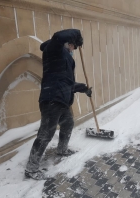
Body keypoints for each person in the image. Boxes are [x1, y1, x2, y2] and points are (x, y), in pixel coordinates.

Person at [25, 29, 92, 180]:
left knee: (68, 123)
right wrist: (76, 34)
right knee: (46, 134)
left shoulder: (65, 60)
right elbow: (57, 36)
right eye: (74, 47)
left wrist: (85, 89)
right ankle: (31, 169)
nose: (74, 50)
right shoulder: (53, 51)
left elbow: (68, 84)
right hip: (52, 99)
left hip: (61, 100)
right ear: (69, 44)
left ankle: (62, 150)